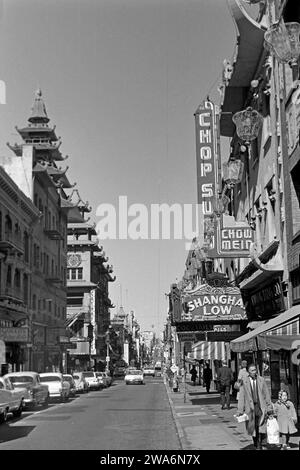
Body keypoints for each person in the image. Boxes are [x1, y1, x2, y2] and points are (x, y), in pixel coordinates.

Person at [237, 363, 273, 450]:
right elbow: (241, 397)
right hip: (250, 408)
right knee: (253, 428)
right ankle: (256, 444)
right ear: (248, 372)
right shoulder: (244, 381)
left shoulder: (261, 380)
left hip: (261, 406)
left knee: (261, 425)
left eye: (255, 370)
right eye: (252, 371)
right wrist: (240, 410)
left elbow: (266, 394)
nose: (254, 372)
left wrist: (269, 408)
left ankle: (261, 444)